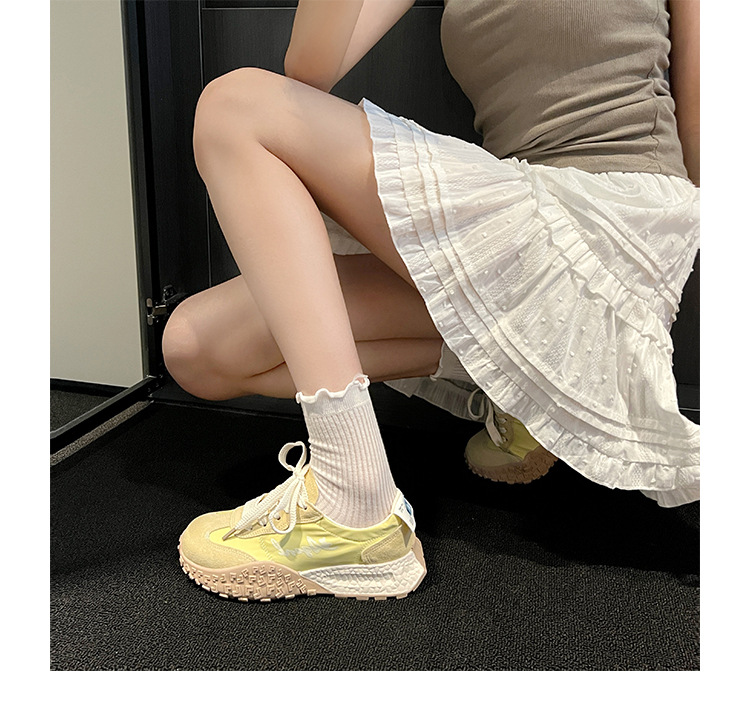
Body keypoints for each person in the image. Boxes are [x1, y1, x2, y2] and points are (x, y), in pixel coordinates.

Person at [163, 0, 700, 602]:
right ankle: (524, 380)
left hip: (615, 224)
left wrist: (644, 302)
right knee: (198, 349)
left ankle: (354, 501)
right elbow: (307, 71)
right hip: (514, 231)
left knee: (235, 107)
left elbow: (710, 133)